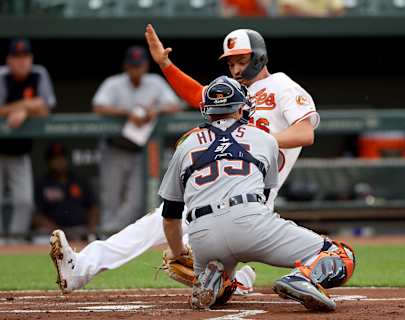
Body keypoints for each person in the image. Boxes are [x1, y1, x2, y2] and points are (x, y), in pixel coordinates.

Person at [48, 25, 318, 294]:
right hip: (213, 188)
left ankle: (234, 281)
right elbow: (197, 95)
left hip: (252, 199)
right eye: (231, 62)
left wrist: (252, 141)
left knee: (194, 251)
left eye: (242, 60)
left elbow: (305, 132)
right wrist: (165, 64)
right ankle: (80, 269)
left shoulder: (281, 85)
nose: (235, 68)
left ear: (259, 57)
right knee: (156, 224)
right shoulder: (232, 92)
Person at [160, 76, 355, 311]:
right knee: (341, 254)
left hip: (202, 236)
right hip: (250, 221)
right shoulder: (265, 139)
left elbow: (170, 215)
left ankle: (217, 279)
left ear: (206, 110)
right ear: (242, 107)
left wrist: (178, 251)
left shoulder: (185, 144)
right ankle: (302, 278)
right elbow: (262, 197)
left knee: (221, 282)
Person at [92, 45, 182, 234]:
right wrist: (127, 113)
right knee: (110, 199)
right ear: (126, 66)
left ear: (145, 66)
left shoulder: (155, 82)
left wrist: (155, 110)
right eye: (132, 66)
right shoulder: (113, 83)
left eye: (139, 65)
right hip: (115, 148)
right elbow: (98, 107)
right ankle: (107, 238)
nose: (136, 69)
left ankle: (114, 236)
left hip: (140, 152)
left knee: (136, 200)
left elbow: (175, 105)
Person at [0, 38, 56, 241]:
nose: (22, 61)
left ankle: (13, 244)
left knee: (24, 201)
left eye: (25, 57)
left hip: (19, 152)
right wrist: (26, 105)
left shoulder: (38, 74)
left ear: (31, 58)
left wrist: (24, 111)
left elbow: (46, 108)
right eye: (16, 57)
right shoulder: (2, 76)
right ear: (9, 60)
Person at [33, 143, 99, 240]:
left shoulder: (79, 180)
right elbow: (36, 216)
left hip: (80, 229)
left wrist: (90, 229)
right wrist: (59, 233)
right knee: (39, 240)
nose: (60, 162)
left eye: (62, 158)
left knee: (95, 239)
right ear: (49, 162)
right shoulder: (42, 184)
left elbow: (93, 208)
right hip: (52, 232)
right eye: (55, 159)